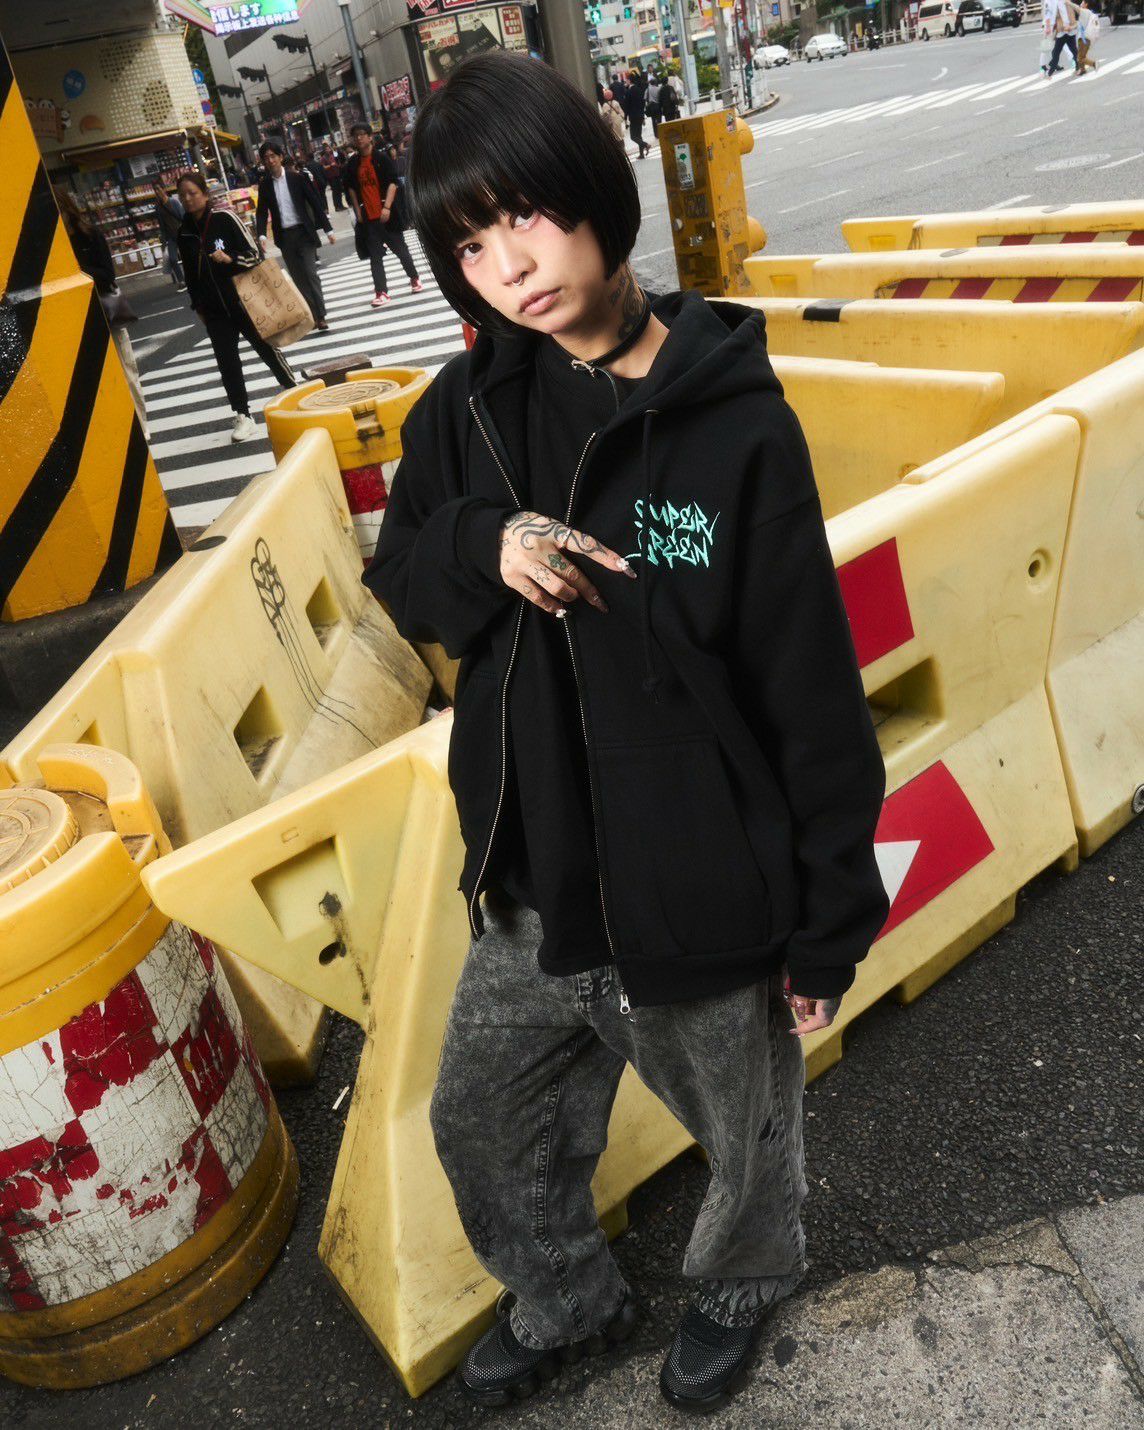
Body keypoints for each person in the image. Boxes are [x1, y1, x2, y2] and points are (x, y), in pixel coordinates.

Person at [365, 51, 888, 1416]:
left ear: (594, 190)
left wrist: (829, 916)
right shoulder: (470, 413)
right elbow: (400, 571)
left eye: (523, 214)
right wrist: (486, 542)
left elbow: (809, 687)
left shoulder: (735, 427)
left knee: (745, 1129)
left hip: (698, 888)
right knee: (480, 1117)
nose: (507, 266)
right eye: (467, 244)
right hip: (534, 885)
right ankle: (566, 1297)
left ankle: (745, 1276)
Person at [175, 171, 296, 443]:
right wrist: (198, 305)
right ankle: (243, 415)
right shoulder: (184, 233)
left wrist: (230, 259)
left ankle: (292, 389)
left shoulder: (224, 219)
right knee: (227, 364)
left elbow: (254, 255)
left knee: (267, 348)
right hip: (214, 310)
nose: (188, 199)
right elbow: (190, 276)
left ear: (205, 194)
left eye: (193, 193)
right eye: (183, 196)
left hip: (244, 301)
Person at [55, 187, 149, 438]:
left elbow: (108, 274)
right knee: (93, 377)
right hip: (76, 316)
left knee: (127, 370)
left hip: (106, 309)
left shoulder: (90, 235)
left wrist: (78, 270)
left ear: (67, 209)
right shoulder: (53, 247)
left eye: (59, 210)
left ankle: (142, 428)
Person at [255, 140, 335, 331]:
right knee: (298, 278)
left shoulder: (296, 178)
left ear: (281, 157)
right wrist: (261, 235)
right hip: (284, 237)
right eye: (266, 158)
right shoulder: (265, 185)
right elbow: (261, 211)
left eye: (273, 156)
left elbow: (314, 202)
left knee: (310, 273)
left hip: (304, 233)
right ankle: (313, 315)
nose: (270, 161)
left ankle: (321, 315)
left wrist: (328, 229)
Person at [342, 121, 424, 308]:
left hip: (387, 215)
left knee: (401, 250)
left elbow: (393, 183)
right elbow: (350, 189)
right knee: (375, 256)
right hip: (368, 218)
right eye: (356, 136)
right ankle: (381, 292)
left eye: (362, 134)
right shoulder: (353, 163)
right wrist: (358, 212)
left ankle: (414, 278)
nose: (359, 138)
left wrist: (387, 207)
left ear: (370, 137)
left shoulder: (381, 158)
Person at [152, 181, 186, 291]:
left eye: (158, 189)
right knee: (172, 259)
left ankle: (193, 277)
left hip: (182, 234)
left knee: (188, 256)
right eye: (155, 190)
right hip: (171, 237)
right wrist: (163, 242)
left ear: (164, 189)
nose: (157, 191)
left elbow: (183, 217)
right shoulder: (158, 207)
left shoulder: (173, 202)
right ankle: (181, 281)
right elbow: (162, 226)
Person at [1044, 0, 1078, 75]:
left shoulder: (1061, 3)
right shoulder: (1060, 2)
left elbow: (1053, 15)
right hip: (1065, 30)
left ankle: (1050, 71)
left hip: (1066, 30)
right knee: (1072, 50)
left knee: (1057, 51)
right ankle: (1078, 66)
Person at [624, 67, 650, 159]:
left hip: (633, 116)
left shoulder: (629, 91)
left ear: (629, 80)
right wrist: (643, 114)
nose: (626, 81)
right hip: (640, 115)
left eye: (626, 80)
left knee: (633, 136)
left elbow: (627, 105)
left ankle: (646, 144)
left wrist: (625, 117)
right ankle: (641, 154)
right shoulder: (639, 90)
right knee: (639, 135)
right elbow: (643, 103)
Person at [1069, 0, 1099, 71]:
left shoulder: (1084, 11)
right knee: (1082, 55)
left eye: (1082, 2)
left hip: (1083, 38)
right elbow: (1079, 24)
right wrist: (1071, 28)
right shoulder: (1089, 13)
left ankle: (1094, 64)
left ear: (1086, 4)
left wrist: (1068, 2)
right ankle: (1082, 70)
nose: (1080, 4)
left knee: (1080, 58)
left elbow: (1076, 7)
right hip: (1087, 38)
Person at [319, 143, 346, 210]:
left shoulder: (333, 155)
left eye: (329, 148)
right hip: (331, 177)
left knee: (339, 190)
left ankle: (341, 205)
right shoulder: (323, 158)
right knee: (335, 191)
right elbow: (323, 167)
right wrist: (330, 165)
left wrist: (338, 165)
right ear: (324, 150)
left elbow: (337, 162)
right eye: (326, 149)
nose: (328, 150)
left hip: (337, 174)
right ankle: (337, 206)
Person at [645, 70, 662, 138]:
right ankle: (660, 132)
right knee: (659, 120)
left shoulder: (647, 89)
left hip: (651, 106)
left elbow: (645, 98)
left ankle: (656, 134)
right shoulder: (658, 89)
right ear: (655, 82)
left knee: (653, 120)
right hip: (658, 106)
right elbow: (660, 97)